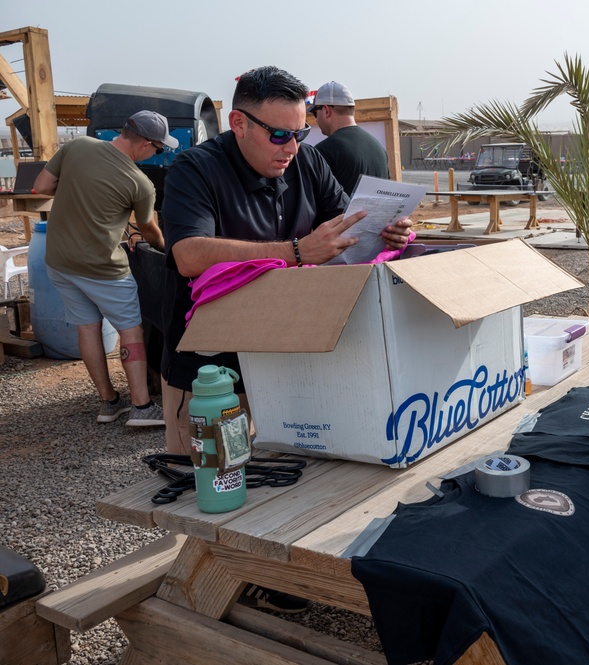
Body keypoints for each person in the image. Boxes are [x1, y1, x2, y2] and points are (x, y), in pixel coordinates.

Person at [159, 66, 410, 614]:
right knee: (208, 484)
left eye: (300, 134)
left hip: (285, 343)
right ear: (238, 123)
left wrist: (386, 230)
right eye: (278, 134)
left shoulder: (307, 158)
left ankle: (270, 573)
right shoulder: (193, 168)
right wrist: (295, 252)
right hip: (209, 358)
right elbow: (188, 255)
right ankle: (197, 588)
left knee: (281, 467)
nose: (291, 148)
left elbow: (341, 225)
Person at [32, 111, 173, 427]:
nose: (158, 154)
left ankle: (109, 402)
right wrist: (169, 249)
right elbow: (148, 229)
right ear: (147, 144)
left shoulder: (78, 146)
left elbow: (41, 186)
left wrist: (78, 191)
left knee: (87, 327)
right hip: (103, 267)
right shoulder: (140, 183)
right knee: (131, 330)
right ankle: (141, 407)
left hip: (59, 260)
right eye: (159, 149)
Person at [309, 80, 389, 195]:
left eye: (315, 113)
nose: (316, 119)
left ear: (326, 111)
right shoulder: (378, 148)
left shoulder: (323, 151)